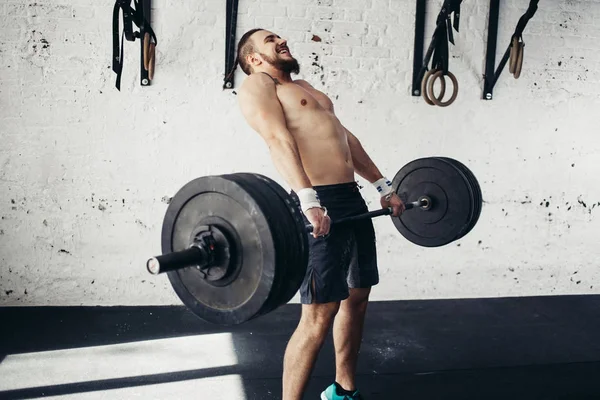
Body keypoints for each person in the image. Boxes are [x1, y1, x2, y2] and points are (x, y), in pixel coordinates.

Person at [234, 28, 405, 400]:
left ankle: (343, 390)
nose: (281, 41)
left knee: (358, 295)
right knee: (318, 312)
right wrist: (308, 199)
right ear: (252, 58)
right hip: (318, 200)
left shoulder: (307, 87)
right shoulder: (259, 86)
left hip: (350, 198)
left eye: (280, 37)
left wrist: (383, 186)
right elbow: (276, 139)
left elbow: (347, 141)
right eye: (269, 40)